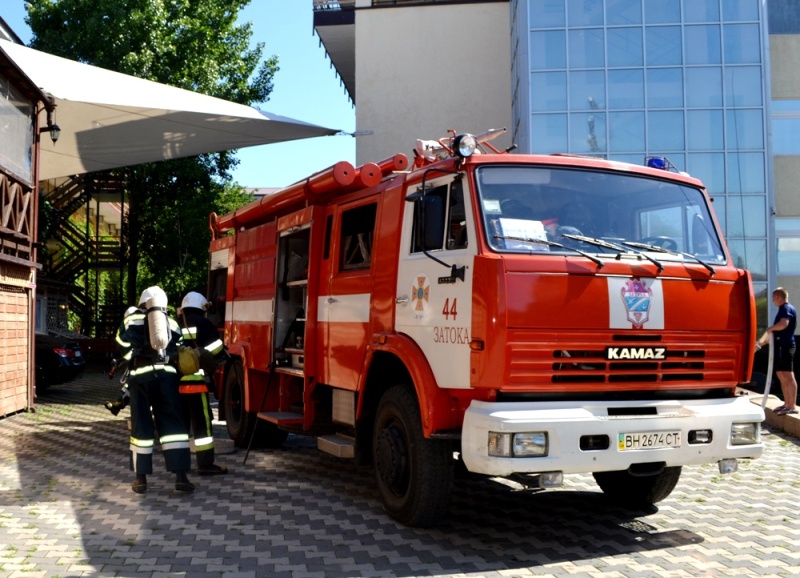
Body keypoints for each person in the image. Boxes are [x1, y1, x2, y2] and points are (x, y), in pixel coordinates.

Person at [115, 286, 194, 493]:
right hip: (167, 377)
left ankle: (140, 480)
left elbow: (121, 344)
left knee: (141, 425)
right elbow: (181, 348)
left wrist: (131, 357)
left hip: (141, 377)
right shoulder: (173, 322)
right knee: (174, 426)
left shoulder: (131, 321)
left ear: (142, 303)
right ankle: (181, 477)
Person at [177, 291, 228, 475]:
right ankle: (205, 464)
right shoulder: (203, 323)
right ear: (201, 306)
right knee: (202, 426)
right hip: (196, 384)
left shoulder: (175, 324)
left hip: (176, 384)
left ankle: (179, 465)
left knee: (180, 427)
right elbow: (217, 350)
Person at [756, 287, 798, 416]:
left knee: (788, 376)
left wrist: (770, 328)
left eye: (774, 298)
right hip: (780, 346)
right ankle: (786, 403)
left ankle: (792, 405)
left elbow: (783, 324)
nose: (773, 301)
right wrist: (761, 343)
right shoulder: (782, 309)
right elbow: (776, 332)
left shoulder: (786, 308)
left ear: (778, 297)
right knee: (781, 374)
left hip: (787, 346)